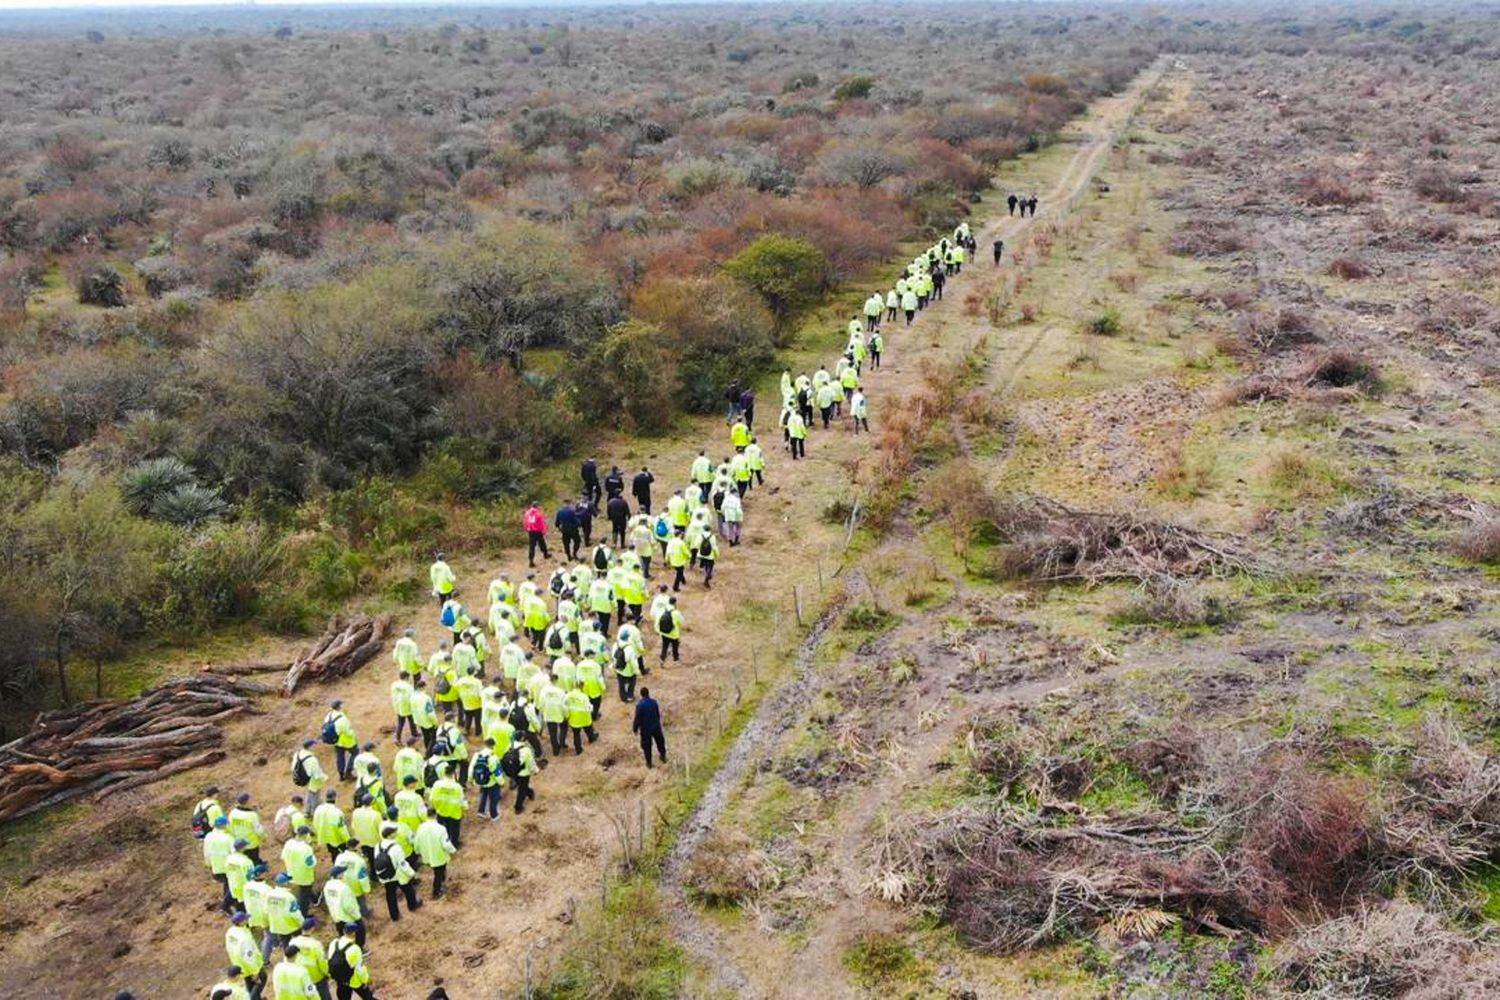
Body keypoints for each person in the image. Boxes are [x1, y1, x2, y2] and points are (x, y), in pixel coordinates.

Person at [373, 824, 421, 921]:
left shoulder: (377, 846)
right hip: (398, 875)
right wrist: (412, 873)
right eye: (394, 832)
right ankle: (412, 906)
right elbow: (402, 864)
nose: (396, 833)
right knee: (408, 890)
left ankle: (394, 915)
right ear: (390, 835)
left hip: (386, 875)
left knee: (390, 895)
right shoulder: (396, 847)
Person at [414, 808, 457, 898]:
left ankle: (441, 882)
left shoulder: (420, 827)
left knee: (436, 871)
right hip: (439, 856)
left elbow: (416, 842)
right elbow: (446, 845)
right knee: (439, 873)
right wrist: (453, 851)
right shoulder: (441, 829)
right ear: (436, 815)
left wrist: (418, 852)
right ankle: (436, 891)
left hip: (427, 855)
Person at [321, 865, 364, 949]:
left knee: (343, 935)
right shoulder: (344, 888)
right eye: (343, 873)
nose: (344, 874)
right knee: (360, 931)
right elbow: (349, 906)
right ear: (339, 875)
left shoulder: (327, 886)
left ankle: (344, 949)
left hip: (336, 916)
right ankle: (360, 949)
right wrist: (357, 917)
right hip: (348, 917)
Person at [328, 925, 376, 1000]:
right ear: (354, 934)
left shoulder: (334, 943)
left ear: (344, 931)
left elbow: (330, 959)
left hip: (340, 979)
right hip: (354, 980)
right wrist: (365, 980)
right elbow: (359, 968)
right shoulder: (355, 949)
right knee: (368, 997)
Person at [264, 872, 305, 960]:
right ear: (286, 883)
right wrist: (302, 922)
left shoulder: (269, 895)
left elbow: (266, 910)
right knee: (299, 942)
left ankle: (289, 959)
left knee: (286, 944)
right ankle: (300, 958)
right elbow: (295, 913)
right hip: (291, 925)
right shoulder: (289, 897)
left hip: (277, 925)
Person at [225, 913, 266, 999]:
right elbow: (249, 958)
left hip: (238, 964)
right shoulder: (244, 939)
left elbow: (229, 948)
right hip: (250, 967)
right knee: (261, 979)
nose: (247, 920)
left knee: (249, 984)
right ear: (240, 923)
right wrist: (255, 972)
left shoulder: (230, 932)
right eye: (245, 919)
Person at [289, 919, 332, 1000]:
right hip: (316, 978)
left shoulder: (292, 941)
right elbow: (322, 963)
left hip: (301, 977)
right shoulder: (316, 945)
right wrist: (328, 973)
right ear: (312, 928)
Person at [282, 826, 320, 913]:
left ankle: (315, 899)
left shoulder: (289, 843)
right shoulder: (306, 848)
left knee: (305, 889)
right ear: (306, 835)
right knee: (304, 895)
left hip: (291, 872)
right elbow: (310, 864)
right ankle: (303, 914)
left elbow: (283, 857)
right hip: (304, 875)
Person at [204, 815, 237, 913]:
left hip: (216, 867)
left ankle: (227, 903)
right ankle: (225, 906)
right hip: (228, 867)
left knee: (226, 884)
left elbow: (206, 853)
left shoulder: (208, 836)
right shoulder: (228, 838)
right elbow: (235, 853)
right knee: (232, 886)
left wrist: (209, 864)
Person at [429, 764, 467, 848]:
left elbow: (431, 798)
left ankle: (442, 843)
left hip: (441, 810)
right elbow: (462, 801)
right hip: (454, 812)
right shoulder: (457, 787)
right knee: (454, 829)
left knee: (442, 829)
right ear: (453, 773)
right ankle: (454, 844)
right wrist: (464, 810)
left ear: (444, 773)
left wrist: (436, 807)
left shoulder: (437, 784)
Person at [228, 793, 267, 866]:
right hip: (251, 843)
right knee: (253, 858)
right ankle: (255, 872)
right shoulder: (252, 815)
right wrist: (264, 837)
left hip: (238, 842)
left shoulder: (232, 813)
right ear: (247, 802)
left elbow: (229, 827)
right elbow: (258, 830)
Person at [322, 701, 357, 781]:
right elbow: (348, 732)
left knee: (340, 757)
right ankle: (349, 771)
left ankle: (341, 775)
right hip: (346, 740)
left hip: (336, 741)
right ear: (339, 707)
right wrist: (353, 734)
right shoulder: (342, 718)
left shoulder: (329, 715)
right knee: (355, 753)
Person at [633, 688, 667, 768]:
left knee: (647, 746)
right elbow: (657, 714)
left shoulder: (640, 705)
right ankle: (663, 756)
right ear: (648, 693)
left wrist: (635, 728)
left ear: (641, 695)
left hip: (645, 729)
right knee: (660, 742)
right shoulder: (654, 702)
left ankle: (649, 763)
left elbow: (638, 718)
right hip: (655, 726)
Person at [472, 738, 503, 820]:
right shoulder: (493, 757)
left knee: (483, 795)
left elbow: (472, 768)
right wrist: (501, 782)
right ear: (493, 746)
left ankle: (481, 811)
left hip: (480, 780)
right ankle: (494, 815)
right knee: (494, 798)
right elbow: (497, 773)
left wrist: (471, 779)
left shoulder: (477, 755)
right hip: (491, 782)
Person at [523, 501, 550, 566]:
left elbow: (525, 522)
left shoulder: (527, 513)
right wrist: (544, 531)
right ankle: (545, 554)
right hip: (537, 531)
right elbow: (541, 523)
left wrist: (526, 529)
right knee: (542, 543)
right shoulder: (538, 513)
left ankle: (531, 560)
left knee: (531, 546)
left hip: (530, 531)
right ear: (537, 506)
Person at [658, 597, 683, 664]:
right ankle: (676, 659)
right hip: (673, 633)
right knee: (675, 647)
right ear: (675, 603)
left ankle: (662, 659)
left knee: (664, 646)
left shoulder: (663, 610)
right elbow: (681, 622)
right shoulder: (676, 612)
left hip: (664, 632)